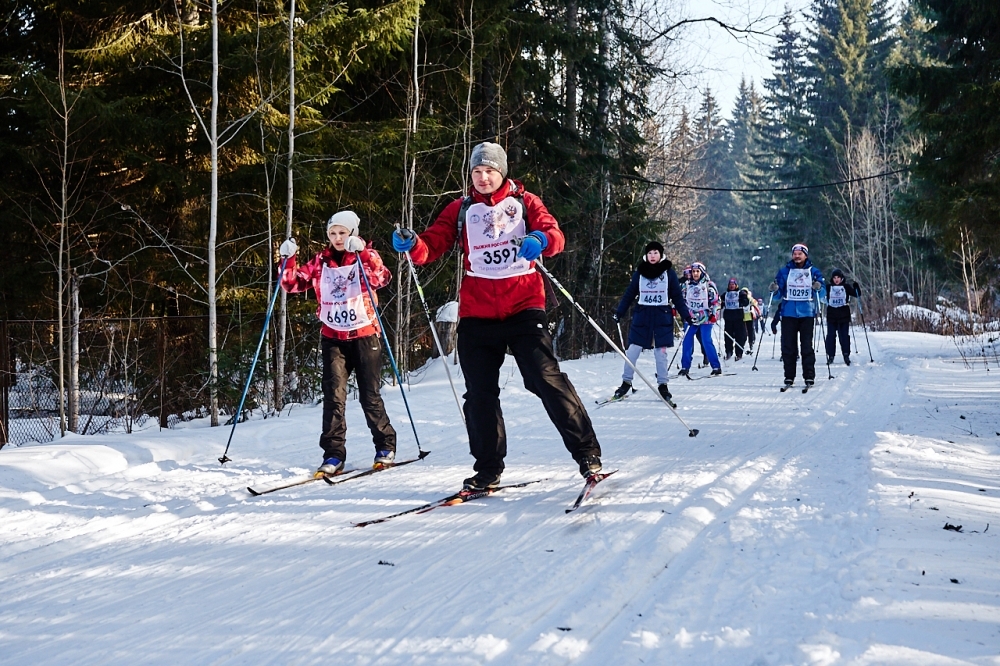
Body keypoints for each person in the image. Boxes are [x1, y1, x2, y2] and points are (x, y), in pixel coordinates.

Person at [390, 142, 603, 491]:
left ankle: (587, 454)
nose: (483, 177)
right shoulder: (461, 209)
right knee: (479, 395)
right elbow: (431, 246)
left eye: (489, 170)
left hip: (523, 307)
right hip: (477, 313)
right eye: (477, 171)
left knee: (545, 379)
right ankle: (488, 470)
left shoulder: (525, 202)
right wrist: (412, 244)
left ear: (501, 172)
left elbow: (556, 236)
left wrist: (539, 238)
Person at [279, 211, 397, 476]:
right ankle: (333, 455)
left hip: (365, 334)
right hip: (333, 336)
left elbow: (382, 278)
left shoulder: (364, 256)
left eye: (343, 233)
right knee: (334, 398)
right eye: (333, 233)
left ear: (353, 233)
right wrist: (287, 259)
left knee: (370, 396)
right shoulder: (322, 261)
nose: (337, 238)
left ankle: (385, 446)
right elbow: (292, 283)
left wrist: (364, 253)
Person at [610, 241, 692, 401]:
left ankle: (663, 385)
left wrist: (686, 315)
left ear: (661, 255)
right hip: (643, 316)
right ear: (645, 256)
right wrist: (619, 312)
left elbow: (677, 297)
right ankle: (626, 382)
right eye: (650, 253)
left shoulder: (669, 273)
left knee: (660, 353)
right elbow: (629, 294)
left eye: (655, 253)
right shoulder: (639, 274)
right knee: (632, 351)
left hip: (662, 316)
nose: (652, 256)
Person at [769, 243, 825, 388]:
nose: (797, 256)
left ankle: (809, 376)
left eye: (800, 253)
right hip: (788, 313)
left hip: (807, 312)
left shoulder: (813, 271)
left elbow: (823, 292)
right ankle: (789, 377)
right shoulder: (784, 272)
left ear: (805, 255)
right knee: (788, 347)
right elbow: (777, 295)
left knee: (806, 346)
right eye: (795, 253)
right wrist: (774, 290)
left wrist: (818, 287)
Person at [678, 262, 722, 377]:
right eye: (693, 271)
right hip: (691, 317)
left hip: (706, 317)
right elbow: (681, 300)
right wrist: (676, 308)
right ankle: (685, 367)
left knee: (706, 340)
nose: (695, 273)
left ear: (702, 272)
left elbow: (716, 301)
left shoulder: (709, 285)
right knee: (687, 340)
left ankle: (716, 366)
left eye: (698, 271)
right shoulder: (687, 285)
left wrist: (714, 314)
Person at [825, 268, 852, 365]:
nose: (836, 279)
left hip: (844, 315)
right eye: (834, 278)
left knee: (844, 336)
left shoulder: (846, 287)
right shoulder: (828, 287)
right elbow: (821, 294)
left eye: (838, 277)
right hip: (832, 315)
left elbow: (856, 294)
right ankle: (831, 355)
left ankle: (846, 355)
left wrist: (856, 288)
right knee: (831, 336)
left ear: (841, 278)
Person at [722, 277, 748, 360]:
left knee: (740, 336)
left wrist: (742, 299)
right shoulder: (725, 294)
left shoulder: (740, 293)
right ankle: (728, 352)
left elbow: (746, 302)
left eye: (733, 284)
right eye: (730, 284)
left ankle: (739, 353)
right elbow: (720, 302)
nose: (731, 286)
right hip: (728, 318)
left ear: (736, 285)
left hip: (738, 318)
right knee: (728, 337)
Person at [741, 287, 760, 353]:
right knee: (745, 332)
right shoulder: (740, 298)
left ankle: (750, 343)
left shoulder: (750, 299)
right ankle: (745, 344)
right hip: (743, 317)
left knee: (750, 331)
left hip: (749, 317)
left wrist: (759, 314)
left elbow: (755, 305)